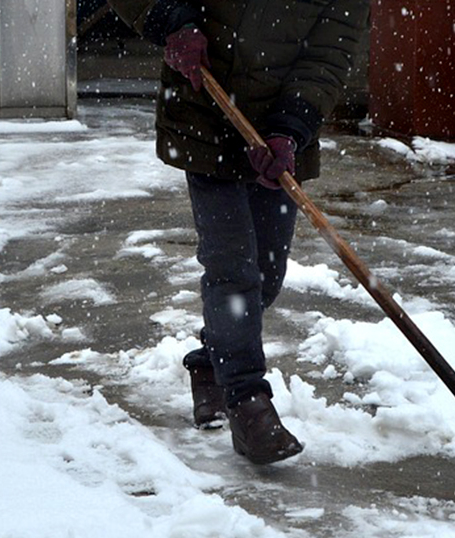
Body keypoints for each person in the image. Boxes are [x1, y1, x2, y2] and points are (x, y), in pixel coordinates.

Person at [108, 0, 369, 464]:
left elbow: (330, 51)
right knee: (232, 269)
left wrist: (291, 127)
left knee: (267, 274)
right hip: (205, 114)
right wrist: (172, 19)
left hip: (275, 132)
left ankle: (212, 362)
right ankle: (249, 404)